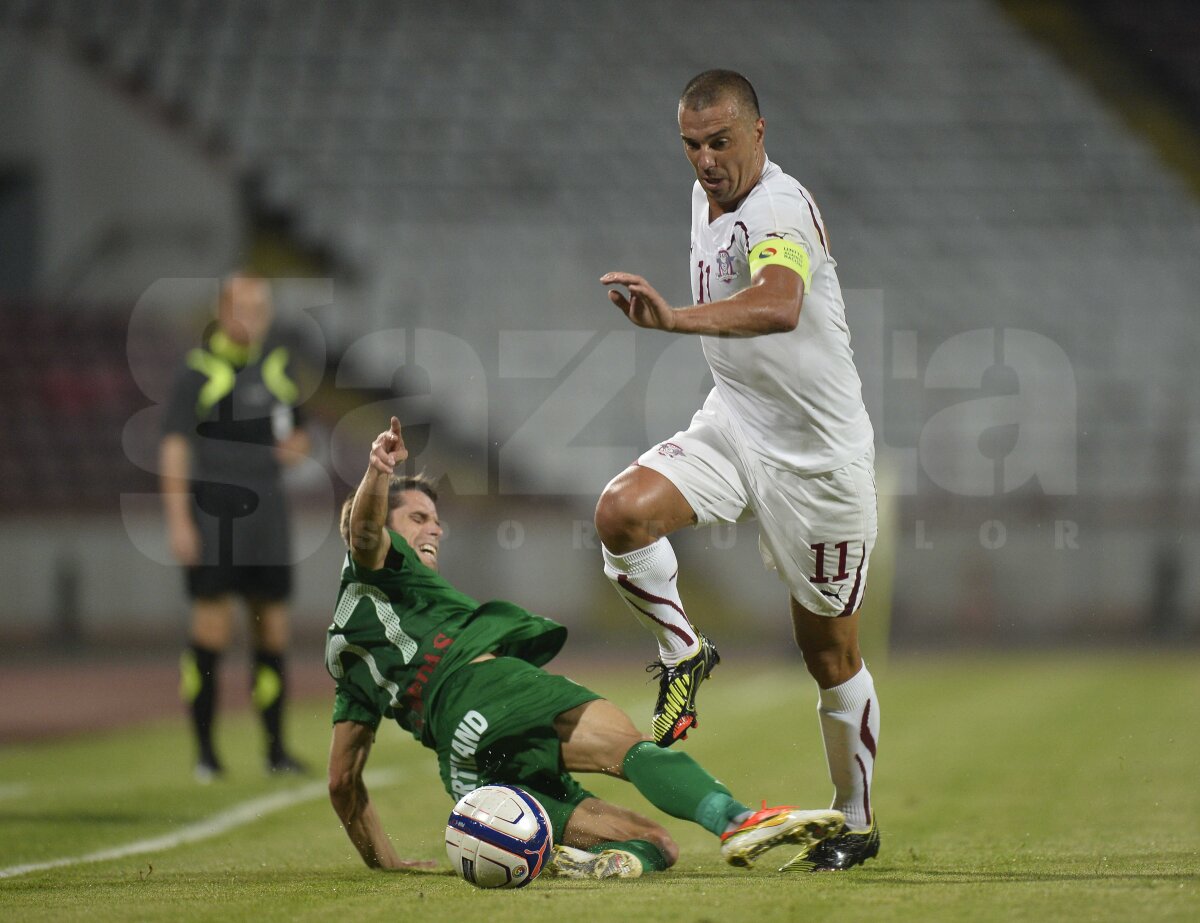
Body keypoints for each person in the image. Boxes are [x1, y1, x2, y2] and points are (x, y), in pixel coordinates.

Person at [325, 416, 845, 879]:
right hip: (490, 691)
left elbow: (343, 782)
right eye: (417, 518)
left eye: (435, 518)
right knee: (630, 747)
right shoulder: (380, 567)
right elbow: (365, 530)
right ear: (381, 526)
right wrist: (377, 472)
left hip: (468, 775)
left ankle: (584, 864)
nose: (433, 526)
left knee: (658, 845)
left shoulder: (348, 653)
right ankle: (736, 822)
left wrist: (386, 865)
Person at [594, 69, 881, 872]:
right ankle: (684, 652)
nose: (706, 160)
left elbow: (780, 301)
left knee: (828, 655)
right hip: (734, 426)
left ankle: (855, 820)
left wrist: (674, 320)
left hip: (819, 461)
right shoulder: (705, 195)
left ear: (760, 131)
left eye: (721, 141)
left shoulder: (779, 208)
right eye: (691, 144)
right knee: (620, 512)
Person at [160, 272, 311, 781]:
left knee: (273, 632)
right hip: (214, 515)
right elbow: (175, 448)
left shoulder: (280, 368)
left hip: (268, 515)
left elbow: (299, 434)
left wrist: (296, 449)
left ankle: (275, 750)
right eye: (243, 307)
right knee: (211, 630)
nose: (253, 316)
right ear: (223, 311)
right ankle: (205, 753)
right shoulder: (197, 371)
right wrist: (179, 520)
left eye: (260, 307)